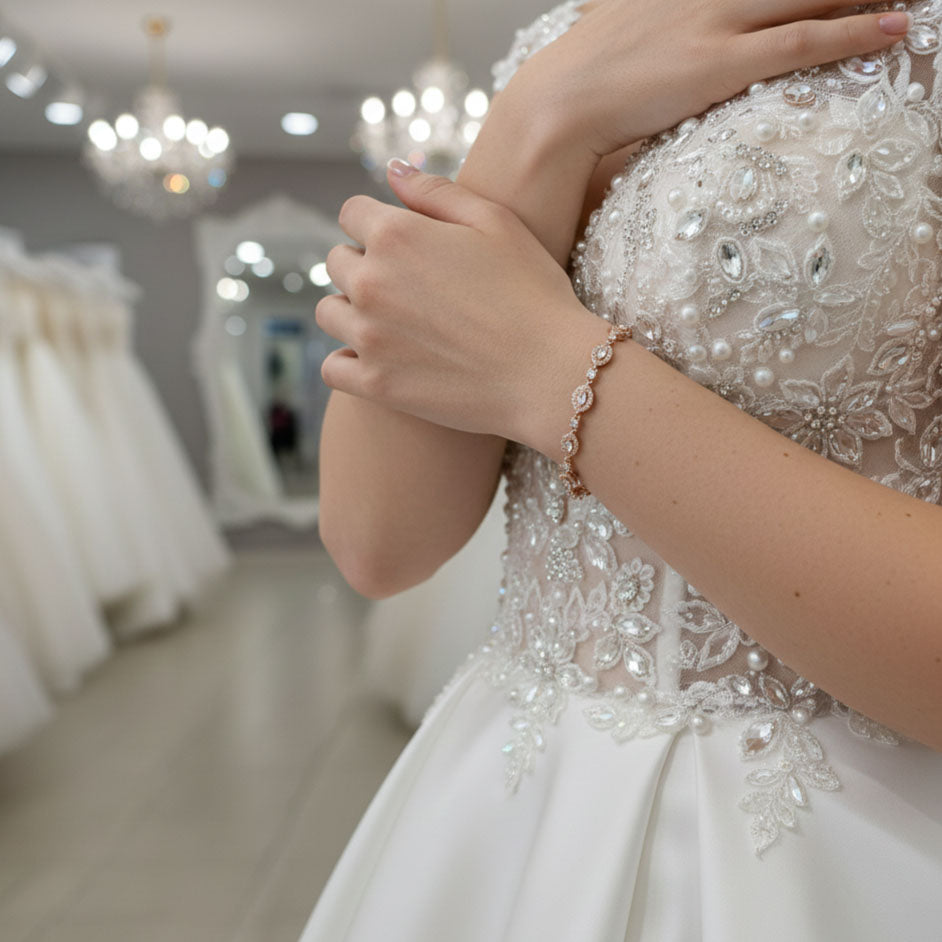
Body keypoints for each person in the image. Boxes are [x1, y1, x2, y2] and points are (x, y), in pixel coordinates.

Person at [302, 1, 942, 938]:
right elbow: (376, 540)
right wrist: (538, 117)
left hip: (841, 842)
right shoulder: (569, 39)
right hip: (516, 797)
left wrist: (548, 370)